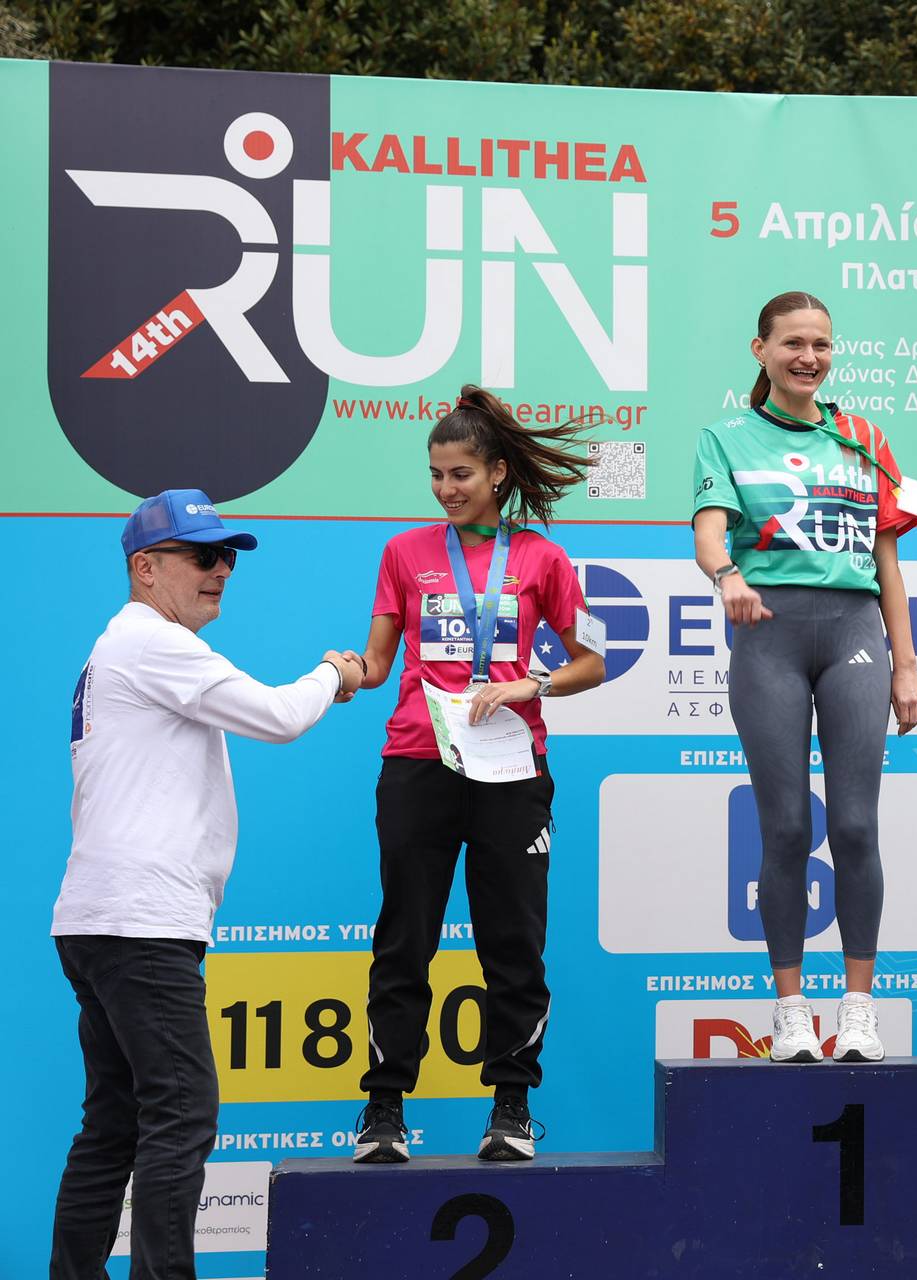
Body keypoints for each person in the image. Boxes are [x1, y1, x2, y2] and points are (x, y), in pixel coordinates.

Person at [53, 489, 362, 1280]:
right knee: (181, 1112)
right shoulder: (154, 643)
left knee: (115, 1124)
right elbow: (280, 716)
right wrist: (334, 671)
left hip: (102, 917)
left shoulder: (125, 646)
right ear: (146, 569)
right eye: (201, 555)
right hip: (140, 922)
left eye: (226, 556)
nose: (220, 569)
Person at [350, 386, 605, 1164]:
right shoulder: (403, 553)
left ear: (496, 472)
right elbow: (378, 663)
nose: (446, 489)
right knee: (404, 941)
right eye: (435, 474)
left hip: (511, 770)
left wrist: (532, 683)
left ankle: (511, 1107)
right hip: (417, 763)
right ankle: (384, 1111)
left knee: (513, 945)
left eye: (460, 473)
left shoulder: (542, 559)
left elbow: (593, 662)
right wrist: (341, 673)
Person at [692, 290, 917, 1064]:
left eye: (821, 344)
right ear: (759, 350)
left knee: (856, 826)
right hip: (770, 636)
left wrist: (907, 664)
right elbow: (710, 533)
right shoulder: (725, 437)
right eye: (792, 343)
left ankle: (858, 1009)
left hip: (855, 634)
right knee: (787, 829)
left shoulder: (865, 438)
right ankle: (791, 1011)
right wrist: (727, 576)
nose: (808, 357)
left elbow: (888, 562)